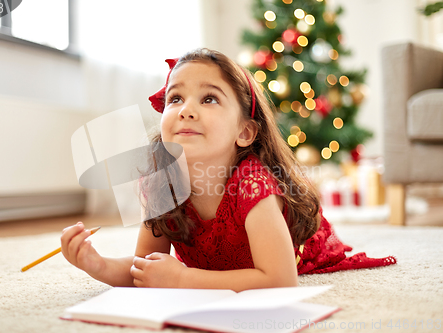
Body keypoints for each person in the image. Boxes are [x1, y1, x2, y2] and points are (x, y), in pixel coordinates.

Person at [61, 48, 396, 292]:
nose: (186, 110)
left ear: (245, 132)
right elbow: (146, 266)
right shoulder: (163, 183)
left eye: (208, 99)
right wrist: (98, 265)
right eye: (175, 98)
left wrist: (184, 279)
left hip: (304, 255)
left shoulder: (253, 186)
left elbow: (280, 280)